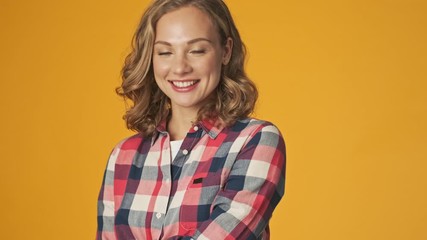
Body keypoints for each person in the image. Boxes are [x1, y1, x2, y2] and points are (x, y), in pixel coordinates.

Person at [97, 0, 286, 239]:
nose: (180, 67)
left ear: (225, 51)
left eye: (196, 50)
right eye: (165, 52)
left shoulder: (257, 141)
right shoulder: (122, 156)